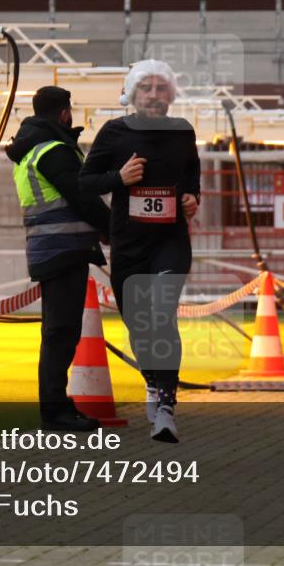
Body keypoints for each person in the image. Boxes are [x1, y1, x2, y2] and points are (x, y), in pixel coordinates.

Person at [79, 59, 200, 443]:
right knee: (140, 324)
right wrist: (119, 178)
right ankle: (152, 381)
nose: (153, 94)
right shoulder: (115, 132)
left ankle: (166, 405)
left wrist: (192, 198)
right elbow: (84, 183)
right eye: (145, 88)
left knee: (162, 312)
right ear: (132, 94)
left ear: (170, 94)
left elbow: (192, 175)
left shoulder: (183, 132)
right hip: (130, 246)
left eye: (160, 88)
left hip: (171, 242)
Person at [5, 86, 111, 432]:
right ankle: (55, 411)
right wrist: (113, 229)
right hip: (63, 250)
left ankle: (58, 406)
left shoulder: (31, 151)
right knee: (61, 332)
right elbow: (83, 198)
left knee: (59, 331)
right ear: (64, 113)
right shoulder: (54, 151)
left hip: (51, 249)